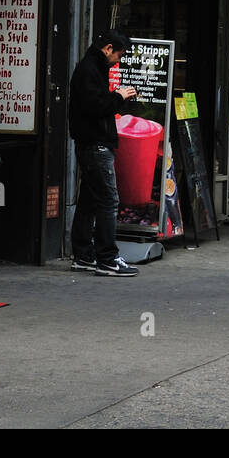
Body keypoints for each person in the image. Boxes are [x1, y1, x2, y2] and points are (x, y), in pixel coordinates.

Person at [68, 29, 139, 277]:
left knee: (89, 200)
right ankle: (107, 258)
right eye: (118, 53)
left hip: (92, 142)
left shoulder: (91, 67)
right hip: (95, 143)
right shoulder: (90, 70)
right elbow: (95, 107)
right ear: (108, 48)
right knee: (108, 200)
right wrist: (118, 97)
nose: (119, 59)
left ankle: (84, 254)